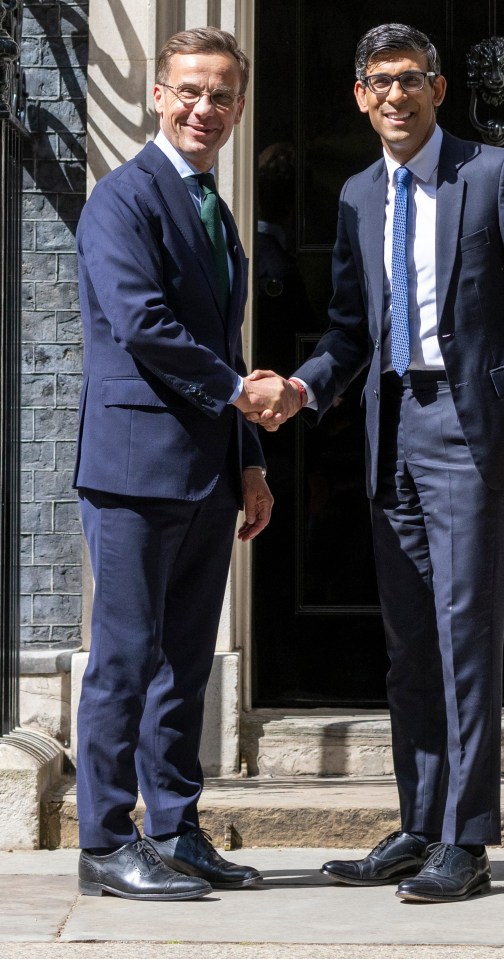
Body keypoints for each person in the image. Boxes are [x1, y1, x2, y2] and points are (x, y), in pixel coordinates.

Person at [262, 22, 504, 903]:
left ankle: (467, 840)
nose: (396, 96)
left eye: (411, 79)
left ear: (439, 90)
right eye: (379, 82)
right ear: (360, 98)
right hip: (388, 429)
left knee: (465, 637)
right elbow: (346, 333)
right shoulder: (359, 195)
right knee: (409, 646)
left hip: (470, 427)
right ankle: (419, 822)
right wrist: (301, 389)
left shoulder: (491, 176)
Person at [73, 27, 298, 901]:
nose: (206, 107)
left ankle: (173, 826)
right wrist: (245, 395)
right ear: (157, 98)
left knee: (185, 664)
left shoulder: (212, 203)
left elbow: (220, 335)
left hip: (208, 471)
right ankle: (103, 842)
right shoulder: (121, 199)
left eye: (223, 95)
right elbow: (141, 325)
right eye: (191, 91)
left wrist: (248, 461)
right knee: (125, 659)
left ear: (240, 109)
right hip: (134, 470)